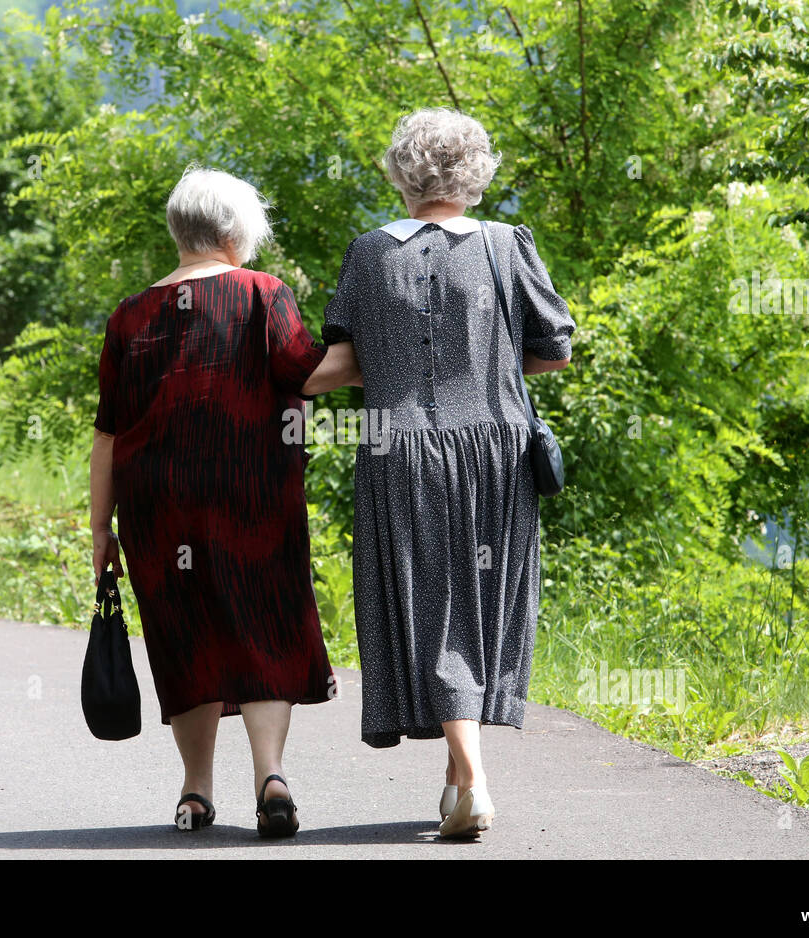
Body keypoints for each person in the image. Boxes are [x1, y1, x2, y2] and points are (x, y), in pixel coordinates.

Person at [321, 108, 575, 838]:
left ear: (401, 172)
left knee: (427, 607)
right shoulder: (506, 244)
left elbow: (343, 360)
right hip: (496, 447)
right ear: (477, 172)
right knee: (477, 605)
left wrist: (277, 379)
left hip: (397, 446)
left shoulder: (370, 255)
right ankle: (467, 773)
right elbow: (554, 350)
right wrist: (487, 362)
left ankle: (468, 776)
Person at [90, 165, 361, 837]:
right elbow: (308, 372)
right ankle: (270, 774)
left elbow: (107, 432)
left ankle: (195, 791)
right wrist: (372, 347)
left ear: (178, 232)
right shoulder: (263, 293)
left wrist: (100, 529)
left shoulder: (129, 317)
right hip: (252, 492)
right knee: (263, 618)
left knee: (186, 634)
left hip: (157, 501)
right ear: (236, 231)